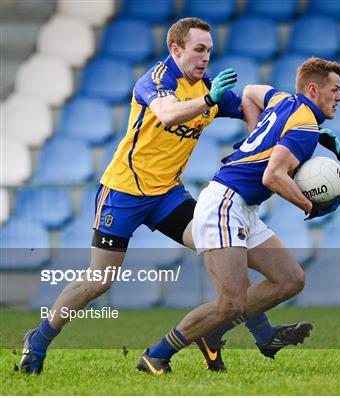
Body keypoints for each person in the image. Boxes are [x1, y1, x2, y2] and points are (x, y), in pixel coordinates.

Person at [20, 17, 322, 375]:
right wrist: (209, 99)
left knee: (224, 250)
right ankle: (37, 341)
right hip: (123, 193)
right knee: (99, 280)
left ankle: (244, 335)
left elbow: (252, 107)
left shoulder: (207, 87)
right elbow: (166, 114)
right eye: (198, 49)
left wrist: (300, 129)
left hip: (168, 196)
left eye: (208, 50)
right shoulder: (156, 81)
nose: (205, 57)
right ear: (175, 50)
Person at [138, 57, 340, 374]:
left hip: (242, 206)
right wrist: (310, 205)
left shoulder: (282, 99)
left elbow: (249, 92)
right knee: (229, 303)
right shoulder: (304, 127)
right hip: (225, 204)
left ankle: (214, 333)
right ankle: (156, 354)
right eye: (335, 90)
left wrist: (255, 133)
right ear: (314, 89)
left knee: (291, 279)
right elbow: (273, 177)